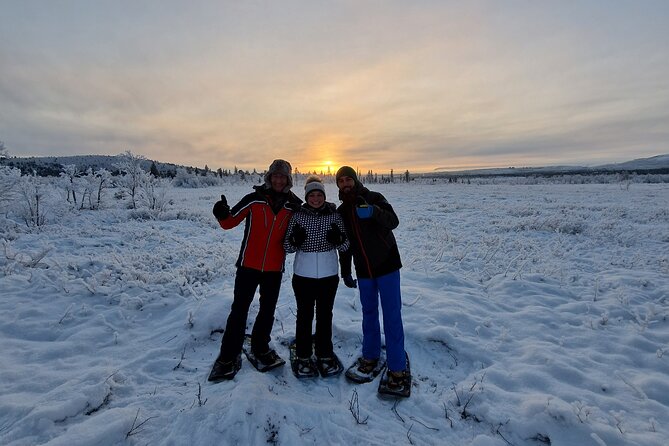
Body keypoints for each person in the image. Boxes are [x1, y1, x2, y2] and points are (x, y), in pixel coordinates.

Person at [208, 159, 302, 382]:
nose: (279, 180)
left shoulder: (294, 205)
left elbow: (307, 225)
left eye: (283, 176)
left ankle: (261, 347)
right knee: (239, 310)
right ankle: (227, 356)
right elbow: (229, 222)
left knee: (267, 310)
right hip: (248, 266)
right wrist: (220, 213)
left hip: (273, 269)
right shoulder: (254, 199)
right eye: (275, 176)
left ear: (288, 180)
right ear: (269, 177)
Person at [335, 166, 410, 390]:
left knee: (391, 315)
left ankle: (397, 366)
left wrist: (374, 211)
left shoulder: (374, 197)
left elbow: (393, 221)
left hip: (387, 267)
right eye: (341, 181)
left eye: (349, 179)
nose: (346, 184)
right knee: (368, 314)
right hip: (364, 271)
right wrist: (346, 270)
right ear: (338, 185)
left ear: (355, 180)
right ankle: (370, 356)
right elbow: (345, 246)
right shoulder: (341, 212)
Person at [283, 175, 350, 377]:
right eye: (311, 195)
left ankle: (324, 353)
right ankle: (303, 355)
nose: (315, 198)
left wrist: (338, 239)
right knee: (304, 316)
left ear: (324, 195)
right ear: (306, 196)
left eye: (318, 194)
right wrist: (295, 240)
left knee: (324, 315)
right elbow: (286, 247)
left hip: (329, 275)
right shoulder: (298, 216)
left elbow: (346, 245)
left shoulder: (335, 216)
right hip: (303, 275)